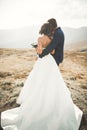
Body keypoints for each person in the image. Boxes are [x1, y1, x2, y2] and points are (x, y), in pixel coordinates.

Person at [1, 22, 83, 130]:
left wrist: (37, 49)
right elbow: (52, 51)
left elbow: (39, 51)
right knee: (52, 81)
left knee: (39, 81)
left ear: (42, 29)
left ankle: (39, 103)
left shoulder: (40, 39)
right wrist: (46, 50)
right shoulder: (51, 38)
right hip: (50, 62)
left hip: (42, 61)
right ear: (49, 29)